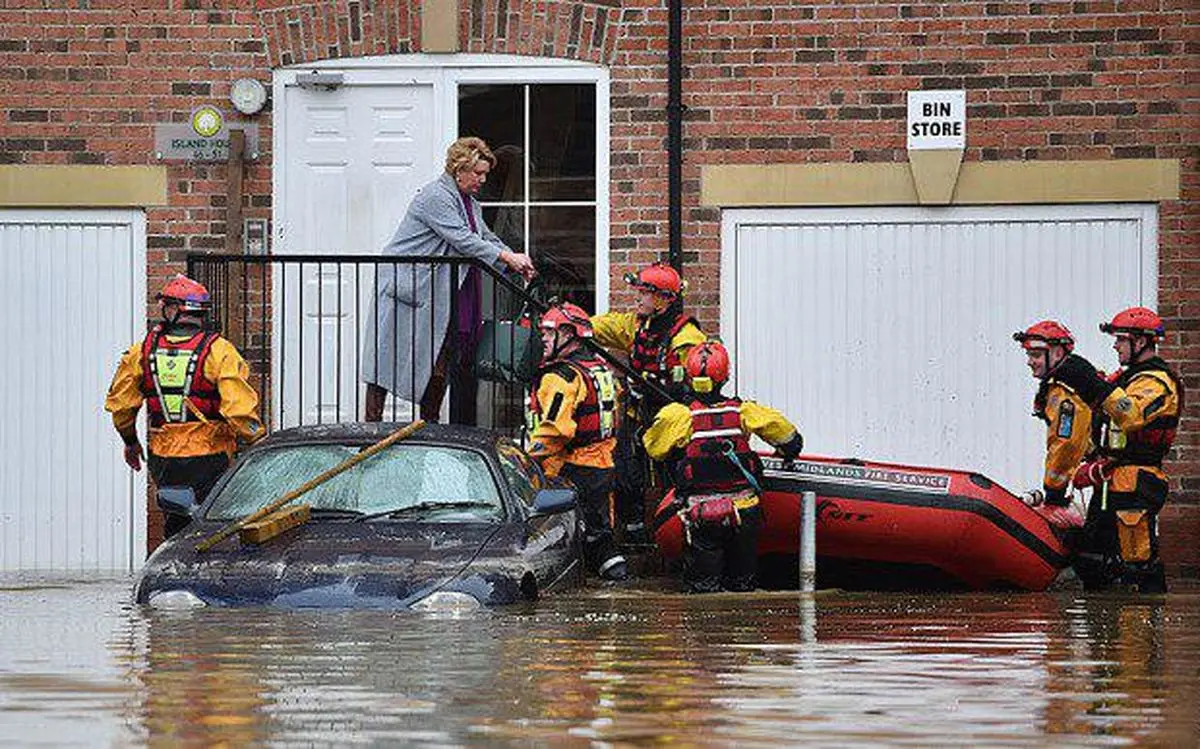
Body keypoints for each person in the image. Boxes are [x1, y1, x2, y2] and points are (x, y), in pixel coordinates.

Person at [362, 136, 537, 423]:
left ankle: (428, 425)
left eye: (485, 174)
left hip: (438, 292)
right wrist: (507, 258)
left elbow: (485, 238)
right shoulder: (435, 196)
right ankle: (371, 426)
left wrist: (514, 259)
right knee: (386, 360)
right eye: (478, 173)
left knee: (440, 359)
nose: (482, 179)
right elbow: (463, 239)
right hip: (408, 287)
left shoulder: (470, 204)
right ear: (459, 169)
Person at [104, 275, 264, 538]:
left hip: (165, 459)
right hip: (211, 458)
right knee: (212, 524)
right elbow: (239, 412)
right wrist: (258, 441)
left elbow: (122, 407)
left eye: (165, 305)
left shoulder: (141, 351)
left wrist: (130, 442)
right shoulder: (220, 351)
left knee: (176, 520)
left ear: (174, 309)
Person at [643, 339, 803, 593]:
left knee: (703, 590)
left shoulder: (678, 415)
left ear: (689, 376)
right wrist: (784, 452)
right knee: (743, 585)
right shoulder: (745, 412)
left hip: (701, 514)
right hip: (744, 512)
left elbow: (655, 449)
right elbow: (791, 440)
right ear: (725, 376)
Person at [1052, 307, 1184, 593]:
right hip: (1111, 479)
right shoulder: (1127, 379)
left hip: (1136, 481)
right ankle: (1105, 628)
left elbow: (1131, 414)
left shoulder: (1157, 383)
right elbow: (1101, 409)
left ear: (1142, 342)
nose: (1115, 345)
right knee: (1095, 560)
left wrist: (1092, 382)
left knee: (1136, 564)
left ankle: (1142, 627)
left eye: (1121, 339)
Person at [591, 262, 706, 542]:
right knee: (626, 471)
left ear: (664, 299)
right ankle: (634, 533)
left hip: (671, 418)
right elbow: (599, 326)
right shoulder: (637, 326)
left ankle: (679, 533)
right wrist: (570, 321)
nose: (637, 298)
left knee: (674, 475)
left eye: (644, 293)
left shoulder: (687, 338)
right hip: (638, 414)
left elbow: (703, 380)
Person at [527, 302, 628, 581]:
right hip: (604, 463)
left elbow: (555, 431)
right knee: (600, 532)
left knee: (568, 539)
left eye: (550, 332)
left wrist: (527, 460)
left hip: (573, 467)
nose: (543, 338)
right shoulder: (600, 369)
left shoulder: (562, 377)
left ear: (569, 334)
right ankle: (615, 582)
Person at [1011, 320, 1092, 528]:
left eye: (1036, 355)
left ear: (1056, 353)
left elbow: (1066, 443)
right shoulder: (1060, 385)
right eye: (1029, 355)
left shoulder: (1065, 393)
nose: (1030, 361)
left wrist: (1053, 492)